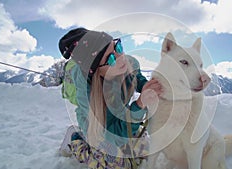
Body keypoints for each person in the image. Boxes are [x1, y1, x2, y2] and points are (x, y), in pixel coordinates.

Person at [58, 27, 162, 168]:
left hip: (120, 115)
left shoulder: (127, 63)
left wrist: (145, 86)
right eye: (111, 58)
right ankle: (77, 141)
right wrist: (139, 105)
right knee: (116, 164)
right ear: (96, 71)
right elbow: (111, 134)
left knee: (142, 153)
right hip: (96, 126)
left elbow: (135, 77)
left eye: (117, 47)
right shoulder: (88, 93)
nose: (120, 57)